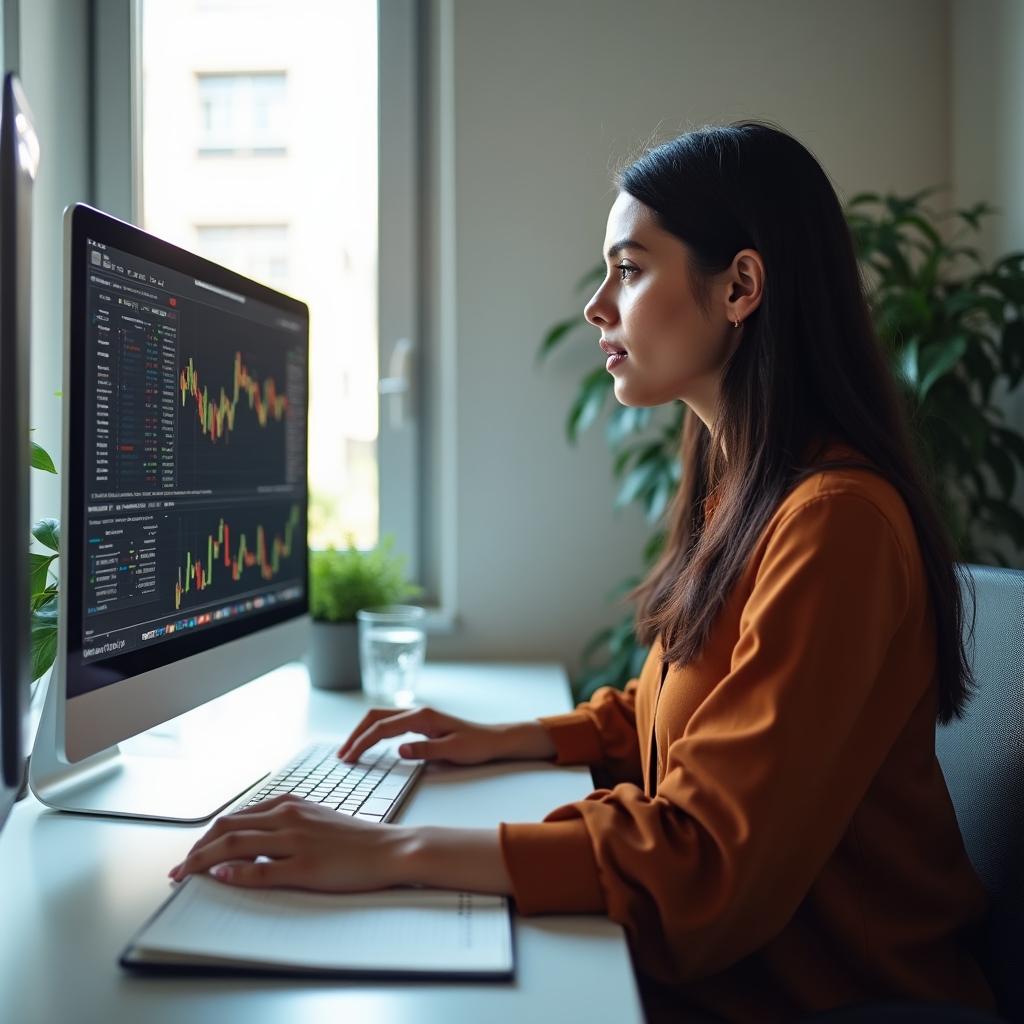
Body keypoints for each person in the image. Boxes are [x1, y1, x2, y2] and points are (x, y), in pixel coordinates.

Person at [171, 124, 995, 1023]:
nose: (599, 306)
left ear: (740, 287)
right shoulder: (744, 486)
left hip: (830, 1000)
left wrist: (392, 853)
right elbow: (680, 705)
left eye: (630, 269)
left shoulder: (836, 524)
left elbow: (706, 859)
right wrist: (509, 737)